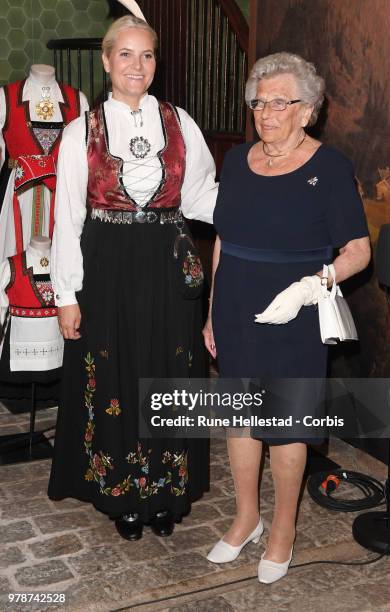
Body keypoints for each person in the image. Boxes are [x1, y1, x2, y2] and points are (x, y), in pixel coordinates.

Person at [48, 13, 218, 541]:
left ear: (155, 63)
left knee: (169, 373)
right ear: (106, 61)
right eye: (126, 54)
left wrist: (264, 209)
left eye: (146, 55)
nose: (137, 66)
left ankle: (167, 492)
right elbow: (68, 217)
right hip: (107, 266)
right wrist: (66, 295)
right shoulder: (83, 129)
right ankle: (120, 492)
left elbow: (202, 197)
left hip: (168, 264)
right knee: (114, 373)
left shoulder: (181, 122)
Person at [204, 52, 370, 583]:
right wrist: (211, 314)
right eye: (259, 102)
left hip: (295, 313)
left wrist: (310, 286)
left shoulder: (330, 167)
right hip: (235, 307)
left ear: (309, 110)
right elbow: (223, 241)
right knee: (239, 419)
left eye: (281, 102)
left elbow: (359, 251)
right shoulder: (236, 161)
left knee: (285, 426)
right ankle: (246, 517)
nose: (266, 113)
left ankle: (283, 530)